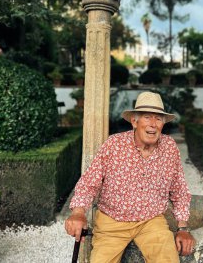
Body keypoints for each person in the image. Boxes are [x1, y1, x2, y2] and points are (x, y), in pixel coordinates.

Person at [65, 91, 196, 263]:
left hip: (151, 221)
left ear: (163, 124)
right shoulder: (114, 144)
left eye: (158, 119)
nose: (153, 125)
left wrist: (183, 227)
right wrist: (78, 212)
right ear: (134, 121)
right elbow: (90, 182)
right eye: (147, 117)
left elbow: (179, 189)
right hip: (112, 221)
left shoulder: (169, 147)